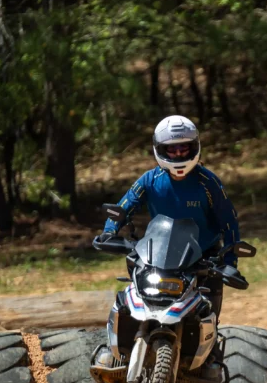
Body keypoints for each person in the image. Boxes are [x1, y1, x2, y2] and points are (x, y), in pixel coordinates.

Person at [96, 115, 240, 319]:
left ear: (195, 146)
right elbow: (124, 205)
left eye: (184, 148)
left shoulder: (208, 182)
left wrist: (230, 262)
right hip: (156, 256)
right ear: (160, 150)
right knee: (127, 310)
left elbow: (229, 221)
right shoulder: (149, 180)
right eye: (172, 149)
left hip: (204, 260)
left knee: (210, 318)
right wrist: (109, 232)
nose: (179, 154)